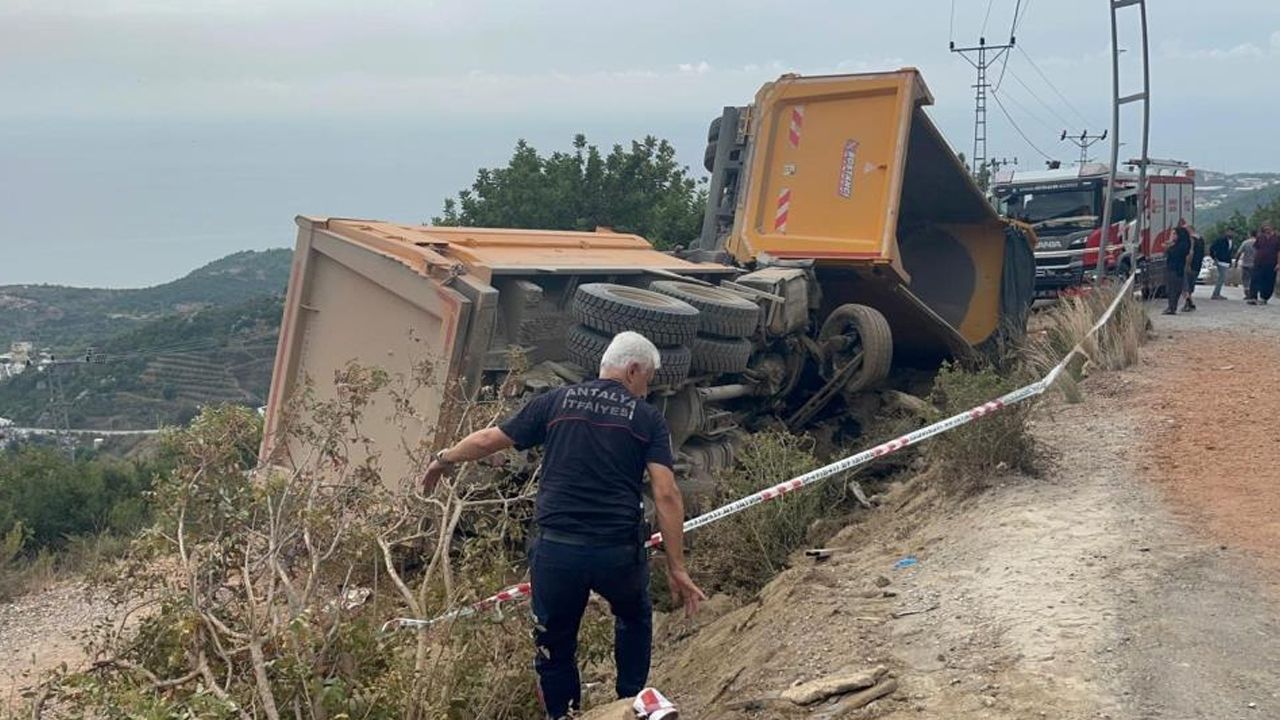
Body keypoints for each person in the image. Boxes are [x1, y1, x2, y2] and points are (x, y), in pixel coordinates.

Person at [421, 331, 705, 719]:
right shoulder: (647, 418)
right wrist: (677, 567)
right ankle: (630, 703)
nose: (645, 390)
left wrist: (444, 458)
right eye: (648, 380)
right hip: (617, 551)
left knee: (555, 646)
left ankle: (564, 714)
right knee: (634, 617)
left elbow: (489, 439)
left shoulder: (556, 402)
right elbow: (667, 493)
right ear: (633, 369)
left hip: (557, 551)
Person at [1163, 223, 1191, 316]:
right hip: (1174, 269)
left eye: (1175, 234)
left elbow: (1174, 253)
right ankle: (1171, 306)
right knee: (1172, 289)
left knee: (1173, 289)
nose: (1173, 236)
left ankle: (1172, 307)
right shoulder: (1179, 244)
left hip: (1176, 269)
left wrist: (1168, 247)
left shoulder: (1182, 245)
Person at [1250, 223, 1280, 305]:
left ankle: (1264, 297)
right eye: (1265, 228)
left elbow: (1279, 252)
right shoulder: (1260, 237)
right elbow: (1256, 249)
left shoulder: (1277, 238)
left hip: (1271, 262)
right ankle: (1253, 297)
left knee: (1269, 280)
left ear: (1272, 228)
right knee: (1255, 278)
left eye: (1268, 227)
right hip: (1259, 262)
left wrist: (1278, 263)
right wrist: (1253, 259)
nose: (1267, 229)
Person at [1183, 229, 1206, 311]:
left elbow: (1190, 253)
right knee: (1191, 285)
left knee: (1185, 285)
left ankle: (1187, 301)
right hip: (1197, 266)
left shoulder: (1191, 240)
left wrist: (1187, 264)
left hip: (1189, 266)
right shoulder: (1201, 240)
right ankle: (1190, 302)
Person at [1208, 230, 1233, 299]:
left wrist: (1230, 262)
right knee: (1221, 277)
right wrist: (1214, 257)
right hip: (1220, 261)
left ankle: (1217, 293)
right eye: (1229, 232)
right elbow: (1212, 248)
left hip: (1226, 261)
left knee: (1222, 278)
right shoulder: (1220, 240)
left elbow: (1229, 252)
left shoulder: (1231, 241)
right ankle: (1215, 294)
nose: (1231, 233)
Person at [1237, 231, 1258, 300]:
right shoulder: (1259, 242)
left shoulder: (1245, 242)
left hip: (1246, 264)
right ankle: (1253, 294)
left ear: (1249, 234)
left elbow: (1239, 252)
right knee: (1254, 280)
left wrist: (1236, 261)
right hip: (1255, 264)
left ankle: (1247, 293)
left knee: (1245, 279)